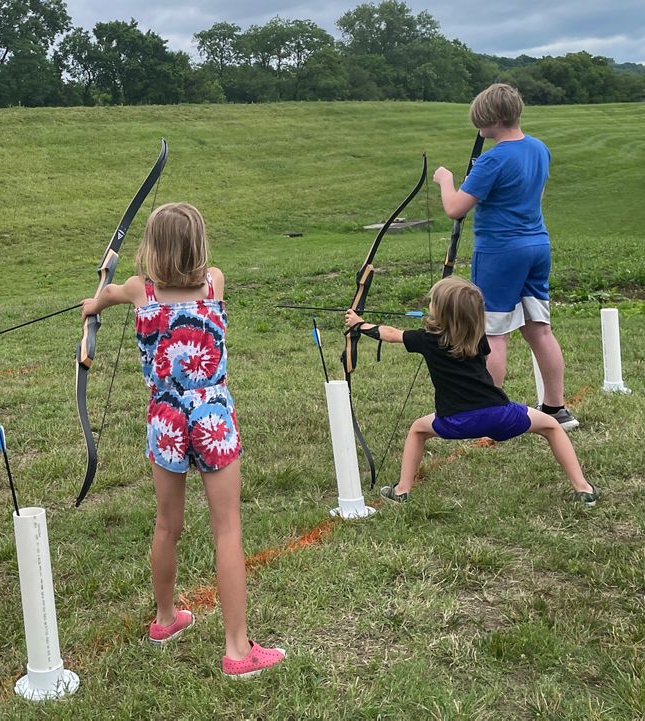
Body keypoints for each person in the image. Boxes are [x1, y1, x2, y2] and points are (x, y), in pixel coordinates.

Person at [80, 202, 285, 678]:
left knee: (167, 525)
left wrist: (92, 306)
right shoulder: (214, 280)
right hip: (211, 414)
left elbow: (106, 293)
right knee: (227, 527)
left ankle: (166, 619)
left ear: (150, 247)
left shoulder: (138, 290)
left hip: (167, 416)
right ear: (199, 244)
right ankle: (237, 650)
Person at [344, 276, 598, 507]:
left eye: (433, 302)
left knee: (418, 430)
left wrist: (359, 323)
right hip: (501, 415)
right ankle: (583, 488)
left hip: (454, 421)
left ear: (440, 312)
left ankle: (401, 490)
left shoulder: (427, 339)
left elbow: (389, 334)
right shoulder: (478, 337)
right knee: (551, 426)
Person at [432, 82, 578, 430]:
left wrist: (445, 180)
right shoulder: (539, 148)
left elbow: (455, 209)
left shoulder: (493, 158)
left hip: (500, 251)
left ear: (488, 120)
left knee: (492, 333)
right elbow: (535, 195)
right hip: (537, 245)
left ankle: (488, 412)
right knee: (539, 329)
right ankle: (556, 407)